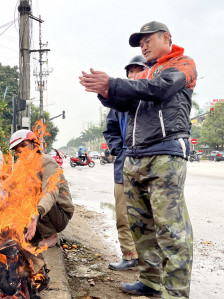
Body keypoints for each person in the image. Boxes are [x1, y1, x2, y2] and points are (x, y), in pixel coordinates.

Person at [79, 21, 196, 299]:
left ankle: (175, 291)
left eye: (147, 40)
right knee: (141, 226)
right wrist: (107, 93)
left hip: (165, 153)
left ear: (166, 38)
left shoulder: (181, 64)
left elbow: (160, 90)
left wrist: (117, 83)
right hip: (135, 156)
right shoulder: (147, 74)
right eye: (139, 42)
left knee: (170, 228)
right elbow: (128, 105)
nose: (143, 46)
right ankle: (151, 280)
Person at [103, 55, 146, 271]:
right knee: (123, 214)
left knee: (149, 217)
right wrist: (118, 150)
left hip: (148, 163)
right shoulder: (119, 103)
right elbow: (110, 129)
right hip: (123, 165)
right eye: (130, 71)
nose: (133, 75)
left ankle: (150, 260)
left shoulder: (152, 98)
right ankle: (129, 255)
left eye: (138, 70)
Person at [9, 130, 75, 248]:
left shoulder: (47, 162)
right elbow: (8, 184)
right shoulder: (20, 164)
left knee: (30, 192)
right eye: (17, 149)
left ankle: (50, 235)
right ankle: (33, 230)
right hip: (37, 215)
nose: (20, 150)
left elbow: (50, 192)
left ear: (34, 145)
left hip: (58, 214)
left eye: (24, 145)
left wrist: (36, 213)